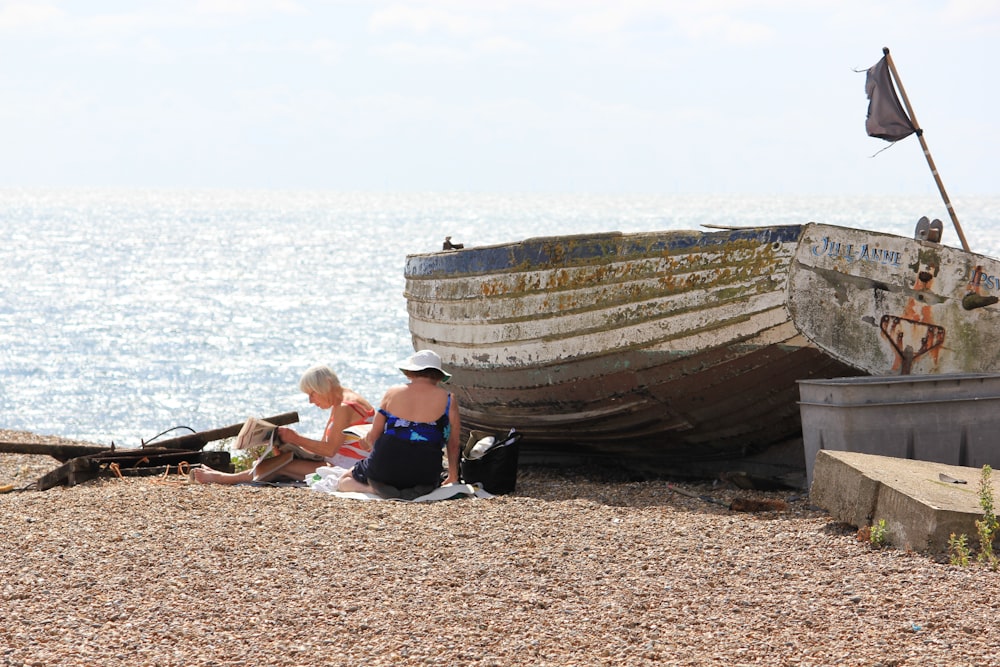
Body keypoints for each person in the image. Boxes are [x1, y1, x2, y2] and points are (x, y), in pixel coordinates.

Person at [192, 365, 374, 485]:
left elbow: (329, 450)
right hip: (346, 461)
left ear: (325, 386)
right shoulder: (343, 401)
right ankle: (226, 476)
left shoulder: (344, 406)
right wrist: (290, 444)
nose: (311, 401)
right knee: (285, 457)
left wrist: (296, 438)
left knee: (283, 465)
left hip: (348, 468)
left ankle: (225, 479)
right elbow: (330, 447)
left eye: (312, 394)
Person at [337, 350, 461, 499]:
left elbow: (374, 436)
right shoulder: (448, 399)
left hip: (384, 469)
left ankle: (373, 490)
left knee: (344, 480)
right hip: (425, 473)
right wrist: (453, 476)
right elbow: (453, 443)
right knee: (429, 473)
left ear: (410, 371)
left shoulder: (392, 393)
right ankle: (418, 488)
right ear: (438, 375)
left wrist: (366, 442)